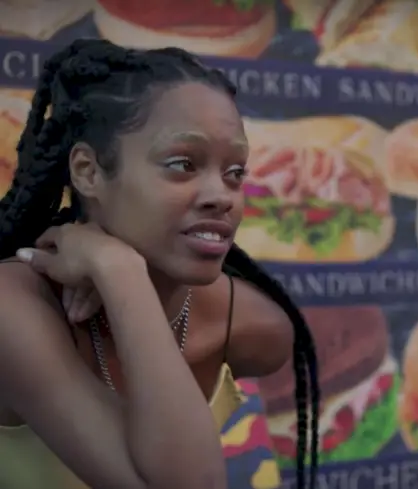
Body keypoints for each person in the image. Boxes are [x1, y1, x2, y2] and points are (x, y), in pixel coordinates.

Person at [0, 39, 319, 489]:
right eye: (182, 164)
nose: (222, 197)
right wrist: (120, 270)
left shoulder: (250, 325)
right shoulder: (12, 304)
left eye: (235, 173)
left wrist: (114, 269)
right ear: (89, 172)